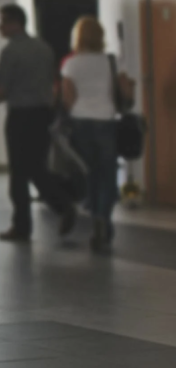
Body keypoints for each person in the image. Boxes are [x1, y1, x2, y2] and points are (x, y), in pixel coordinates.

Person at [0, 4, 78, 242]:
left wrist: (5, 91)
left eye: (1, 22)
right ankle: (63, 204)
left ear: (14, 23)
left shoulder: (10, 51)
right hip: (43, 115)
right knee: (37, 167)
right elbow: (53, 82)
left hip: (20, 116)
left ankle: (22, 226)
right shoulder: (44, 48)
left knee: (19, 173)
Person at [61, 16, 134, 251]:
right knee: (107, 173)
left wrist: (76, 111)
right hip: (106, 121)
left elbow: (67, 98)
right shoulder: (112, 62)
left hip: (81, 123)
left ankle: (95, 217)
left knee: (89, 174)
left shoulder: (71, 64)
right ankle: (103, 218)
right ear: (101, 36)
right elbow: (126, 91)